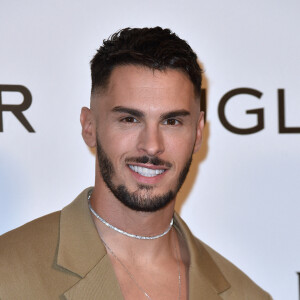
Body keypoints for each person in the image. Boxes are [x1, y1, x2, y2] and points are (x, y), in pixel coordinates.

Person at [0, 27, 271, 300]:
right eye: (130, 119)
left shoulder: (244, 295)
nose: (152, 145)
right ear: (89, 126)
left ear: (198, 133)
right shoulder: (8, 271)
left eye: (172, 121)